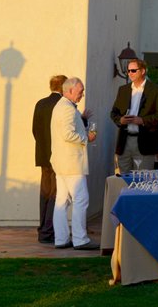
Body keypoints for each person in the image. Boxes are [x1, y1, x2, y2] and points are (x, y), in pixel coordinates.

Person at [51, 77, 98, 250]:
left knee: (61, 201)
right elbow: (67, 134)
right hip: (72, 163)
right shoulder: (67, 109)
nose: (82, 95)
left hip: (61, 162)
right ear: (69, 91)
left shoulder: (62, 107)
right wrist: (87, 137)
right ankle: (80, 239)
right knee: (81, 199)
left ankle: (61, 239)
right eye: (80, 92)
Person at [110, 58, 158, 174]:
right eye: (128, 71)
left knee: (143, 180)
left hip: (145, 141)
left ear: (142, 71)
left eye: (133, 70)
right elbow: (114, 113)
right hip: (124, 141)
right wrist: (120, 120)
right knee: (124, 180)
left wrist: (142, 120)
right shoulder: (123, 90)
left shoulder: (155, 90)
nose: (130, 73)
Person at [32, 74, 67, 244]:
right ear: (62, 87)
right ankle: (48, 230)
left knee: (44, 193)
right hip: (57, 155)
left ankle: (42, 230)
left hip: (42, 154)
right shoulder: (62, 105)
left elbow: (35, 130)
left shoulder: (40, 103)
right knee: (55, 193)